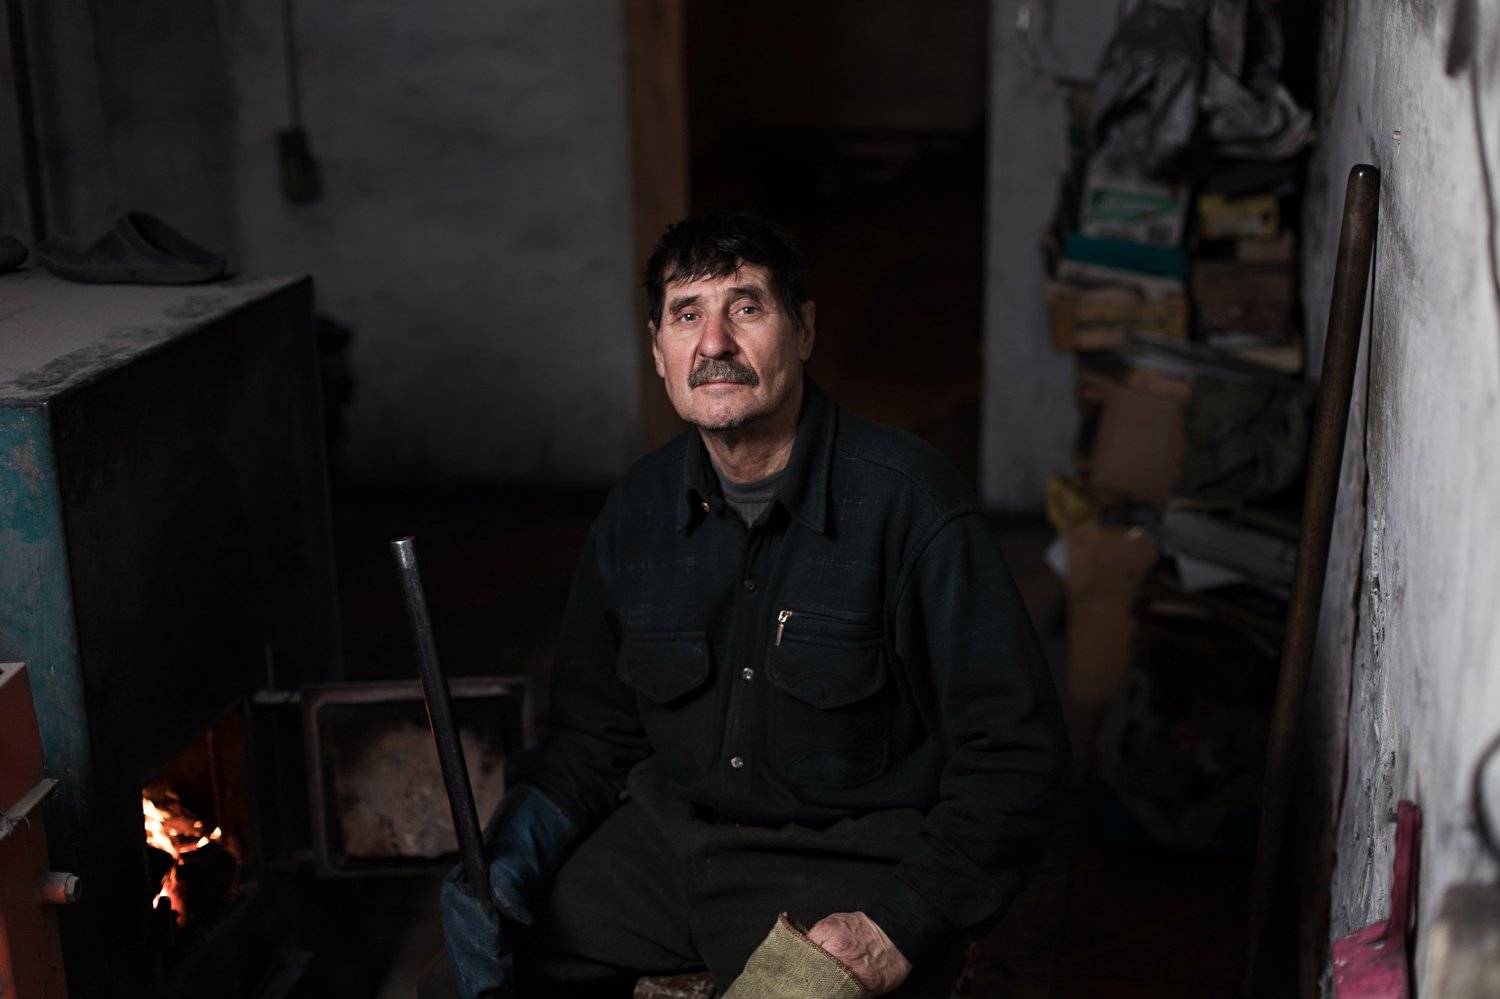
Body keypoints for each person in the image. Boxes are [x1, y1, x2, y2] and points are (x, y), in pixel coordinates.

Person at [436, 211, 1070, 998]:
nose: (715, 343)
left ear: (803, 330)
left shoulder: (910, 502)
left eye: (745, 307)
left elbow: (1015, 752)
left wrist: (901, 923)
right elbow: (593, 732)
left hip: (842, 862)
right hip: (665, 847)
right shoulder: (636, 512)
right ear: (659, 351)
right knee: (481, 953)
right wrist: (513, 847)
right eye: (686, 314)